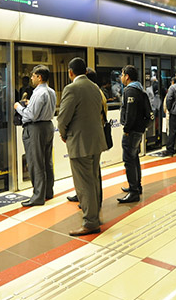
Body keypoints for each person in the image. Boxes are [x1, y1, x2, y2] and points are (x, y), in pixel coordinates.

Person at [57, 58, 108, 235]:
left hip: (80, 142)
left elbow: (63, 118)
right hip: (96, 141)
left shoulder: (71, 88)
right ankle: (95, 215)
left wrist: (63, 134)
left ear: (70, 72)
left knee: (83, 184)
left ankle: (90, 222)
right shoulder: (95, 87)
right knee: (93, 180)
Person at [14, 65, 57, 206]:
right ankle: (48, 192)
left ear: (39, 77)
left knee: (35, 162)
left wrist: (18, 107)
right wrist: (29, 104)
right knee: (47, 161)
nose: (31, 78)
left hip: (36, 129)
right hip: (48, 126)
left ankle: (38, 196)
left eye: (33, 75)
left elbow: (31, 115)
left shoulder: (38, 93)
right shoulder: (51, 91)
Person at [118, 65, 149, 203]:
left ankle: (133, 191)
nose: (121, 77)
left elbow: (130, 113)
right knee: (134, 157)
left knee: (129, 160)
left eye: (122, 74)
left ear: (127, 76)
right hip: (139, 130)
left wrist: (126, 130)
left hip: (132, 131)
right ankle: (137, 185)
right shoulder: (139, 89)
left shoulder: (130, 90)